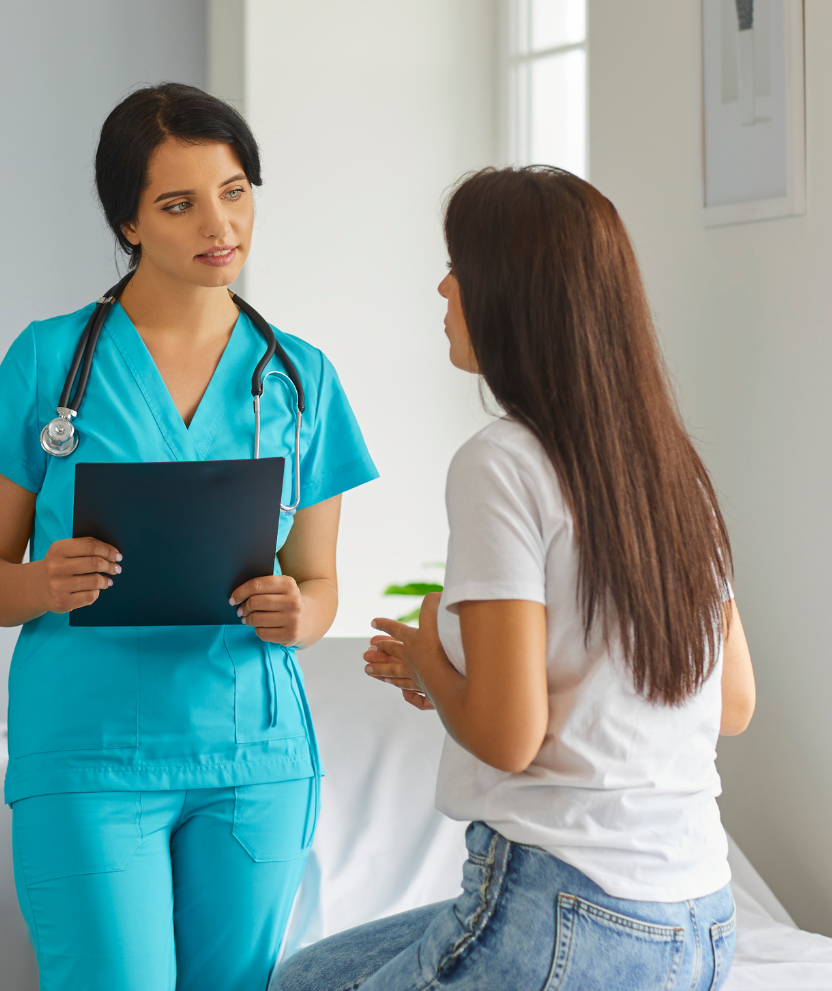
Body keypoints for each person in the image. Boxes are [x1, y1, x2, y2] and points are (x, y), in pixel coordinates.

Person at [272, 166, 755, 991]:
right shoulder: (671, 467)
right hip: (701, 917)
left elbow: (506, 738)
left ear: (511, 293)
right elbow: (732, 703)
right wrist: (452, 673)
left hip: (569, 903)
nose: (441, 286)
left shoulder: (500, 461)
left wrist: (431, 654)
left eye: (457, 266)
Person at [0, 83, 377, 991]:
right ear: (129, 222)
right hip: (90, 756)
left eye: (234, 191)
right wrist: (42, 583)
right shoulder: (49, 361)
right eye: (178, 204)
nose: (217, 224)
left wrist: (296, 613)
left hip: (255, 759)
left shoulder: (301, 377)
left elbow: (321, 586)